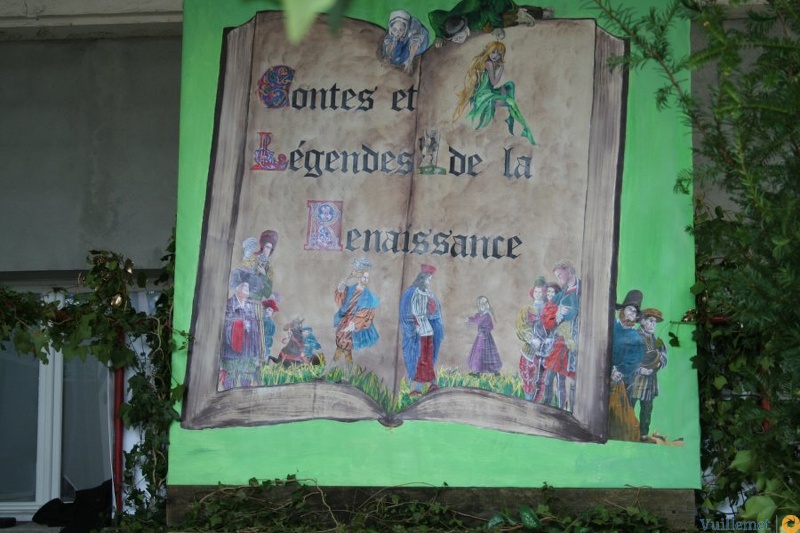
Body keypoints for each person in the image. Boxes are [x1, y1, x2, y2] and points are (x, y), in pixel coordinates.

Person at [453, 41, 536, 145]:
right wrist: (501, 69)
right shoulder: (489, 64)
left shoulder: (483, 61)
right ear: (488, 50)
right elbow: (494, 82)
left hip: (487, 93)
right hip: (485, 97)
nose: (495, 56)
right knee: (511, 102)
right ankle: (525, 128)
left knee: (510, 85)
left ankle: (515, 120)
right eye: (493, 52)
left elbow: (486, 84)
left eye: (499, 54)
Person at [399, 264, 445, 395]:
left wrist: (431, 302)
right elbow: (410, 311)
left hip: (427, 330)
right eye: (428, 279)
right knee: (420, 359)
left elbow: (432, 312)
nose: (429, 282)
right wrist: (414, 326)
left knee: (426, 359)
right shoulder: (412, 293)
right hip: (419, 330)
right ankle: (420, 387)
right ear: (422, 279)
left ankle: (428, 385)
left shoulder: (428, 294)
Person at [541, 260, 580, 410]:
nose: (559, 278)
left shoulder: (581, 288)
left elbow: (573, 312)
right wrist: (557, 311)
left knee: (571, 381)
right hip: (560, 340)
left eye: (560, 275)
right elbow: (548, 311)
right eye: (557, 276)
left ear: (569, 272)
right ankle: (547, 408)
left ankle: (571, 412)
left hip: (574, 341)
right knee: (549, 377)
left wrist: (563, 312)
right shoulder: (563, 292)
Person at [428, 0, 554, 47]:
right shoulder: (445, 21)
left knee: (491, 26)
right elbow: (432, 15)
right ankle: (541, 12)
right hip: (479, 5)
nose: (457, 41)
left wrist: (497, 27)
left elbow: (488, 11)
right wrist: (438, 35)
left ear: (465, 29)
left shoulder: (475, 21)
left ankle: (521, 16)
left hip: (494, 3)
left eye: (458, 37)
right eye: (454, 39)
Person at [332, 257, 380, 372]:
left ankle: (338, 369)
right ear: (359, 277)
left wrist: (353, 324)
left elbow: (366, 314)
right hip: (344, 322)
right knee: (342, 346)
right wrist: (350, 276)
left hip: (354, 325)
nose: (365, 280)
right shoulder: (350, 289)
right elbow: (340, 290)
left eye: (367, 278)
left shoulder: (369, 296)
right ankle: (341, 370)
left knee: (344, 346)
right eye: (364, 277)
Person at [631, 308, 668, 442]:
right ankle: (626, 431)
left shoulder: (658, 341)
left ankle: (643, 435)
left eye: (655, 322)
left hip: (650, 379)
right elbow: (627, 357)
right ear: (642, 321)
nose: (653, 324)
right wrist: (639, 369)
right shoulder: (633, 337)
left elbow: (664, 358)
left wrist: (658, 363)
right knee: (629, 405)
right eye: (650, 320)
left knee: (647, 407)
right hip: (634, 379)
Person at [218, 282, 261, 390]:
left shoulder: (249, 305)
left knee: (246, 376)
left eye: (248, 288)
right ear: (237, 289)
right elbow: (225, 324)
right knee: (230, 376)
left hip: (247, 349)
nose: (247, 290)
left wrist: (252, 325)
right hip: (232, 349)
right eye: (244, 287)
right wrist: (241, 325)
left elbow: (255, 323)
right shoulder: (229, 304)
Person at [610, 289, 645, 404]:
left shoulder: (637, 339)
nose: (631, 314)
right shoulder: (610, 327)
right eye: (629, 309)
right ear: (622, 310)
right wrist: (610, 370)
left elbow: (632, 363)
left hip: (622, 384)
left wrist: (616, 371)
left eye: (635, 312)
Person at [516, 277, 547, 400]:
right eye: (536, 291)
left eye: (541, 292)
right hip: (529, 351)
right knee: (528, 378)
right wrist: (531, 339)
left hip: (546, 351)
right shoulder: (527, 309)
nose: (538, 294)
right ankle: (528, 402)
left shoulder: (549, 308)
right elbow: (520, 326)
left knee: (542, 381)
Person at [381, 9, 429, 74]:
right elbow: (390, 41)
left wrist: (410, 61)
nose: (397, 33)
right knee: (393, 56)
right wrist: (388, 55)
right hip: (404, 37)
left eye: (401, 30)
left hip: (420, 38)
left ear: (406, 28)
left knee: (400, 60)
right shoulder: (392, 29)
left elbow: (415, 43)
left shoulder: (414, 27)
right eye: (395, 30)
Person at [466, 295, 502, 375]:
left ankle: (494, 371)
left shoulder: (486, 316)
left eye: (486, 302)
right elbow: (477, 319)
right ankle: (478, 371)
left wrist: (469, 319)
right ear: (479, 306)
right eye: (482, 303)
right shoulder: (481, 315)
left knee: (485, 354)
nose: (485, 305)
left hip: (485, 337)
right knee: (479, 354)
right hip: (481, 336)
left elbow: (478, 321)